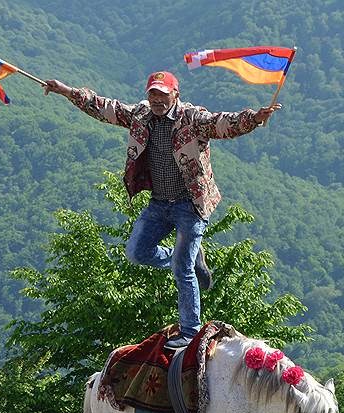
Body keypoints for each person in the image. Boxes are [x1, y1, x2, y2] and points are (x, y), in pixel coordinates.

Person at [44, 71, 281, 348]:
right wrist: (65, 90)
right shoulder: (141, 116)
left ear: (175, 95)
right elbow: (104, 107)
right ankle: (189, 258)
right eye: (152, 94)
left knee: (182, 270)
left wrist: (253, 118)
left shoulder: (192, 119)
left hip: (190, 205)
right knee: (136, 252)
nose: (157, 100)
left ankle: (190, 332)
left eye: (162, 94)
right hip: (159, 203)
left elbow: (222, 123)